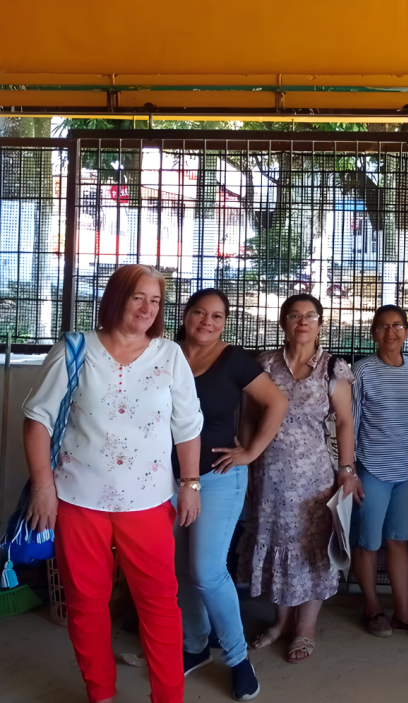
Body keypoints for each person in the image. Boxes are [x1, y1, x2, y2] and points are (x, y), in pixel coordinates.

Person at [21, 264, 203, 703]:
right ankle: (100, 693)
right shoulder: (76, 348)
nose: (147, 308)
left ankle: (169, 696)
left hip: (149, 500)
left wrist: (191, 483)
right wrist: (44, 487)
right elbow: (37, 420)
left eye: (155, 300)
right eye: (138, 296)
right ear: (116, 297)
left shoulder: (169, 355)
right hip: (78, 498)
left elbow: (187, 425)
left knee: (159, 603)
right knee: (85, 604)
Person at [173, 288, 288, 699]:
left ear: (225, 322)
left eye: (217, 316)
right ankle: (195, 646)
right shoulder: (166, 354)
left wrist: (251, 452)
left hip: (217, 478)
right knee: (181, 572)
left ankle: (238, 659)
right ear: (185, 315)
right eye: (200, 313)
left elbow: (276, 402)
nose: (207, 321)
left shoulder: (234, 359)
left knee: (206, 571)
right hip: (163, 482)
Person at [239, 294, 356, 663]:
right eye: (294, 315)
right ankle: (279, 622)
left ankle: (305, 628)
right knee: (274, 543)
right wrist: (246, 454)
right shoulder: (265, 365)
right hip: (268, 474)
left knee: (311, 549)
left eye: (310, 316)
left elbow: (344, 422)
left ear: (320, 323)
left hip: (313, 476)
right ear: (283, 322)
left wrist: (347, 470)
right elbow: (247, 415)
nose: (302, 322)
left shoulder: (333, 368)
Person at [350, 304, 408, 639]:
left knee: (399, 542)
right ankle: (373, 609)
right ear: (374, 332)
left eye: (398, 326)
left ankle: (404, 614)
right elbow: (352, 423)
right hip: (370, 468)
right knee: (367, 542)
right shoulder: (362, 372)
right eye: (383, 326)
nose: (391, 332)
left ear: (407, 333)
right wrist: (351, 469)